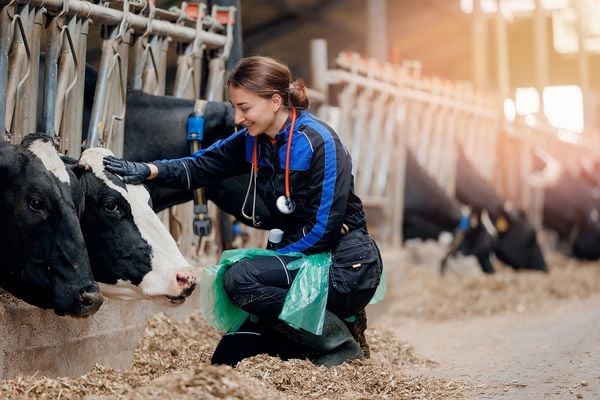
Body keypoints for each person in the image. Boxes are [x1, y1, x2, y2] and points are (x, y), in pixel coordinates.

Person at [103, 56, 383, 367]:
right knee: (226, 361)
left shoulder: (320, 142)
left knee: (241, 279)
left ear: (275, 101)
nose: (238, 118)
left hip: (344, 265)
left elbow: (324, 229)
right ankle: (331, 329)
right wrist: (148, 169)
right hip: (299, 260)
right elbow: (201, 165)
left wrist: (269, 261)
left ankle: (339, 343)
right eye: (235, 108)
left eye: (244, 108)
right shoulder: (256, 141)